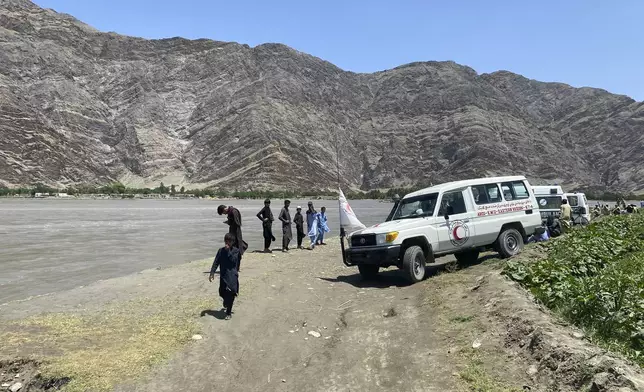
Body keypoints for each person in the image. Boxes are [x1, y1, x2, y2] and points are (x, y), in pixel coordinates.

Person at [209, 233, 240, 320]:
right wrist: (212, 273)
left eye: (229, 241)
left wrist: (228, 251)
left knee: (231, 293)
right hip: (223, 275)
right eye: (226, 240)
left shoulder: (236, 251)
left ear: (233, 242)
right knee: (222, 292)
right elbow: (216, 262)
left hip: (232, 275)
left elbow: (233, 261)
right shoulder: (220, 251)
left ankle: (228, 313)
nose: (227, 242)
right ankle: (226, 302)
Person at [217, 205, 248, 269]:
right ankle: (235, 267)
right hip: (233, 232)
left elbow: (237, 223)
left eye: (223, 213)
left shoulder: (234, 211)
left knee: (237, 249)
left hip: (236, 233)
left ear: (224, 209)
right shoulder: (231, 212)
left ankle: (236, 267)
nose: (225, 214)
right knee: (234, 249)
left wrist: (229, 222)